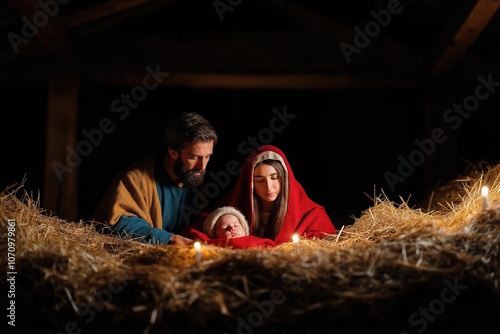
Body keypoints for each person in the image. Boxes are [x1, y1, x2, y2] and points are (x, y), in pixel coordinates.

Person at [93, 111, 218, 246]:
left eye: (207, 157)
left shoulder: (197, 178)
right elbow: (117, 223)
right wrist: (168, 239)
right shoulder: (135, 179)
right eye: (194, 157)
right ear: (173, 153)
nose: (203, 166)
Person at [182, 144, 336, 248]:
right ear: (250, 182)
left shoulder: (311, 214)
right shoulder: (233, 207)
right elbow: (194, 233)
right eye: (259, 180)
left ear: (285, 178)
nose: (268, 187)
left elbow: (329, 245)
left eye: (274, 178)